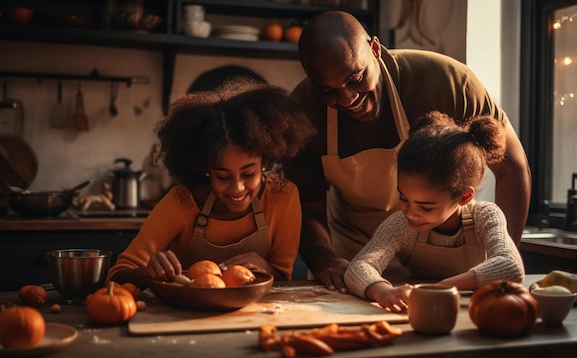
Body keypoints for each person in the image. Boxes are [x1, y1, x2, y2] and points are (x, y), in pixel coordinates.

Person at [283, 11, 531, 292]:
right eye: (328, 91)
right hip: (357, 264)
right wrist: (324, 260)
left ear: (375, 49)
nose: (347, 98)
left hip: (464, 277)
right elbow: (306, 205)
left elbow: (511, 168)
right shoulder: (302, 113)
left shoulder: (447, 82)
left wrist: (499, 267)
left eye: (355, 77)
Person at [106, 78, 316, 289]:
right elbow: (115, 277)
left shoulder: (282, 197)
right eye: (223, 176)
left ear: (265, 161)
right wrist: (149, 273)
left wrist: (267, 267)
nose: (237, 188)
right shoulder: (182, 202)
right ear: (205, 168)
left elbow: (284, 281)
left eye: (248, 173)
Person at [344, 111, 525, 312]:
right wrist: (382, 291)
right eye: (403, 198)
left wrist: (438, 289)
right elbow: (359, 267)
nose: (410, 213)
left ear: (464, 197)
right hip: (421, 309)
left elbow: (510, 266)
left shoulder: (485, 216)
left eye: (425, 206)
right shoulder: (401, 225)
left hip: (477, 312)